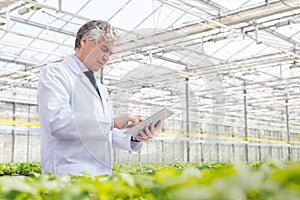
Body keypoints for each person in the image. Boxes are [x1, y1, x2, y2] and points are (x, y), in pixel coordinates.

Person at [37, 20, 161, 176]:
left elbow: (105, 130)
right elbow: (58, 121)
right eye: (104, 49)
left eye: (110, 53)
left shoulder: (100, 88)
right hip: (68, 176)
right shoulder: (56, 73)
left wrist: (135, 137)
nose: (107, 57)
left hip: (99, 177)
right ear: (84, 41)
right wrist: (113, 122)